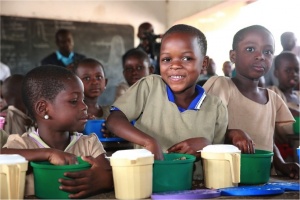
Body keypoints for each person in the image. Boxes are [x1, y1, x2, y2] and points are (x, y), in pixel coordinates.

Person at [106, 24, 228, 180]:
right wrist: (148, 141)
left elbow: (220, 159)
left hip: (197, 189)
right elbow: (114, 120)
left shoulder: (216, 107)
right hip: (147, 184)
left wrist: (207, 147)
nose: (175, 65)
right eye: (167, 59)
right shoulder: (150, 87)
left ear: (204, 63)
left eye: (186, 58)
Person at [203, 25, 299, 179]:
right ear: (233, 56)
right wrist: (231, 134)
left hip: (262, 177)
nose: (260, 56)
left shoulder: (272, 97)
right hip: (226, 177)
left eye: (267, 52)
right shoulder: (222, 85)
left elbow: (267, 138)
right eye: (250, 49)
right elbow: (204, 127)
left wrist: (281, 163)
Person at [2, 65, 113, 198]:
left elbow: (108, 173)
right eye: (73, 101)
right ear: (43, 109)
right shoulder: (21, 144)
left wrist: (106, 180)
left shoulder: (88, 143)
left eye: (82, 100)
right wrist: (48, 154)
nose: (84, 106)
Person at [269, 52, 299, 162]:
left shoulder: (298, 95)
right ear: (276, 73)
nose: (294, 74)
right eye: (288, 70)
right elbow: (274, 109)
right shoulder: (272, 93)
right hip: (282, 154)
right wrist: (290, 112)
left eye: (296, 70)